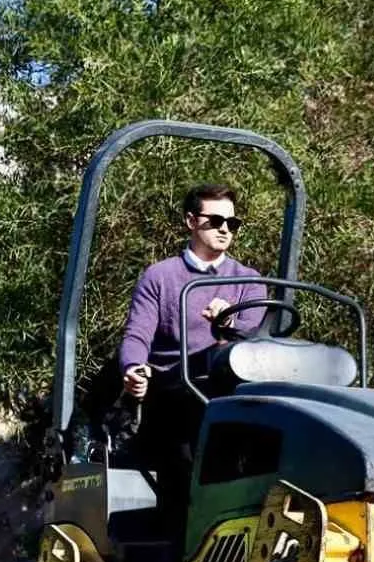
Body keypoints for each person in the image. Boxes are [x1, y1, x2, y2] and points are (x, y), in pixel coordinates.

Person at [108, 183, 264, 535]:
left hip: (230, 395)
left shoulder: (249, 281)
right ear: (191, 221)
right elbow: (137, 334)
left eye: (232, 223)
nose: (225, 229)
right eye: (215, 220)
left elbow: (254, 338)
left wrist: (230, 323)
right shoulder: (160, 277)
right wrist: (133, 368)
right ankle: (185, 545)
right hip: (176, 394)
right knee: (185, 452)